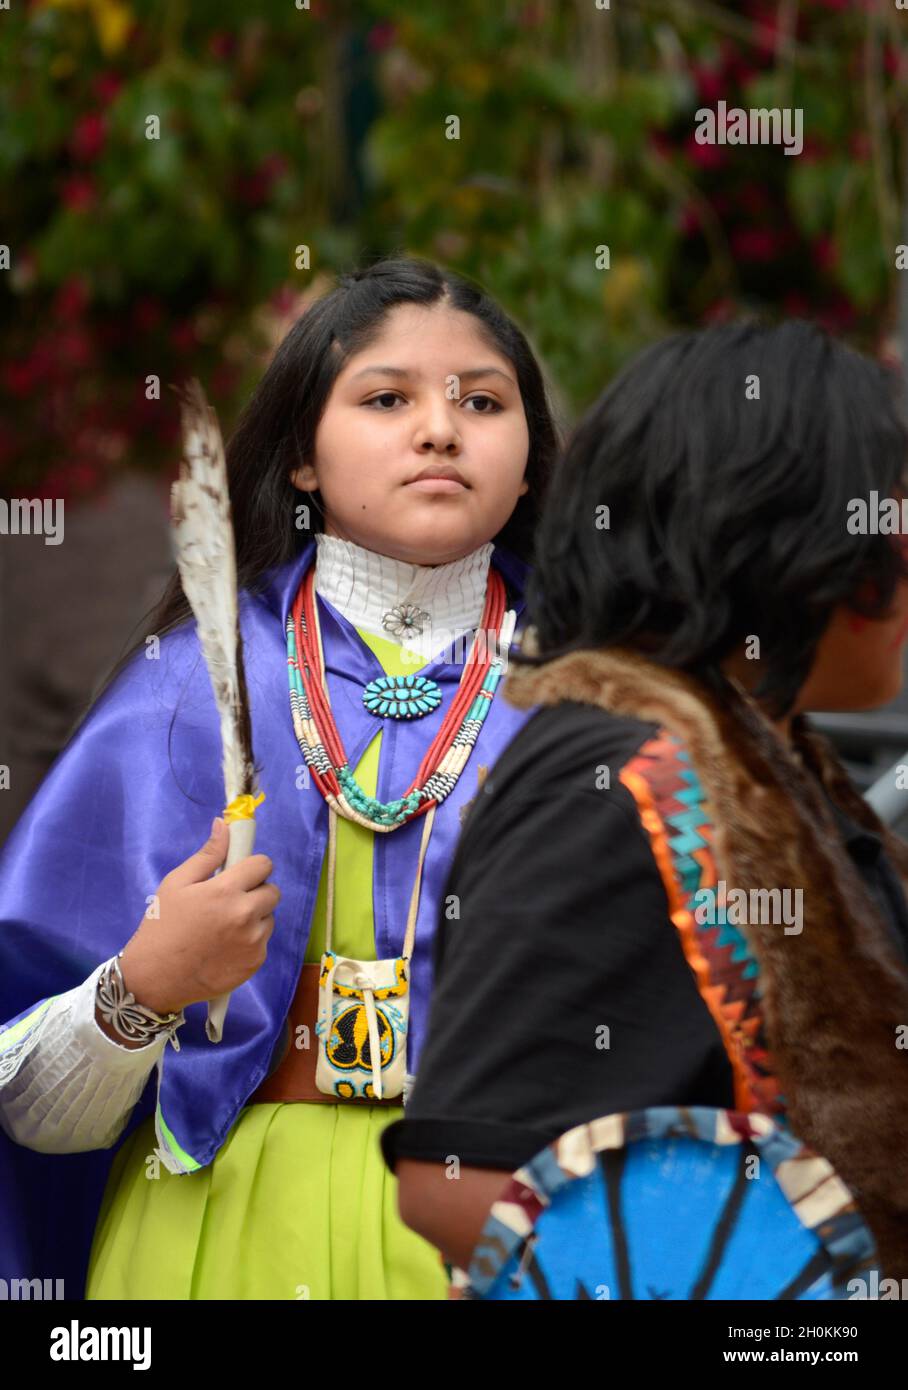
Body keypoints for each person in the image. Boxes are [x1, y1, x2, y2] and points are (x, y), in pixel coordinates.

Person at [0, 256, 559, 1300]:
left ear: (528, 464)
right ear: (300, 454)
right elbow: (26, 1110)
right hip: (214, 1232)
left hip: (505, 1229)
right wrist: (148, 985)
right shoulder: (188, 689)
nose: (439, 428)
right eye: (386, 397)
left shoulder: (589, 696)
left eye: (481, 400)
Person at [383, 320, 908, 1285]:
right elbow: (463, 1181)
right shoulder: (612, 781)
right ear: (781, 538)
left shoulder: (776, 769)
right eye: (889, 527)